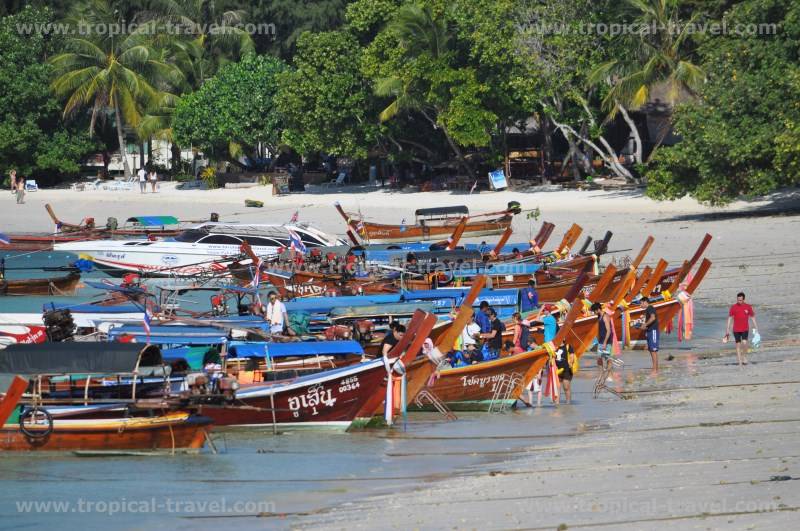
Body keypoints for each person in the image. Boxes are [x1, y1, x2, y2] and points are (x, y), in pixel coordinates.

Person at [725, 292, 758, 367]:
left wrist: (756, 327)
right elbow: (730, 318)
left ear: (743, 299)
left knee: (745, 343)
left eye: (740, 300)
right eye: (738, 300)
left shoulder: (748, 307)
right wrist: (727, 329)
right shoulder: (733, 307)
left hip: (745, 329)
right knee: (738, 345)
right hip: (736, 330)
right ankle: (740, 362)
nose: (739, 301)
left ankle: (744, 357)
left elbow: (752, 317)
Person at [641, 298, 660, 372]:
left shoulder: (650, 308)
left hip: (653, 331)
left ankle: (655, 369)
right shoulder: (647, 310)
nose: (640, 305)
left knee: (653, 350)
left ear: (645, 302)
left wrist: (645, 324)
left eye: (641, 303)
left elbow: (653, 318)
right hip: (650, 331)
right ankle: (655, 368)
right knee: (651, 350)